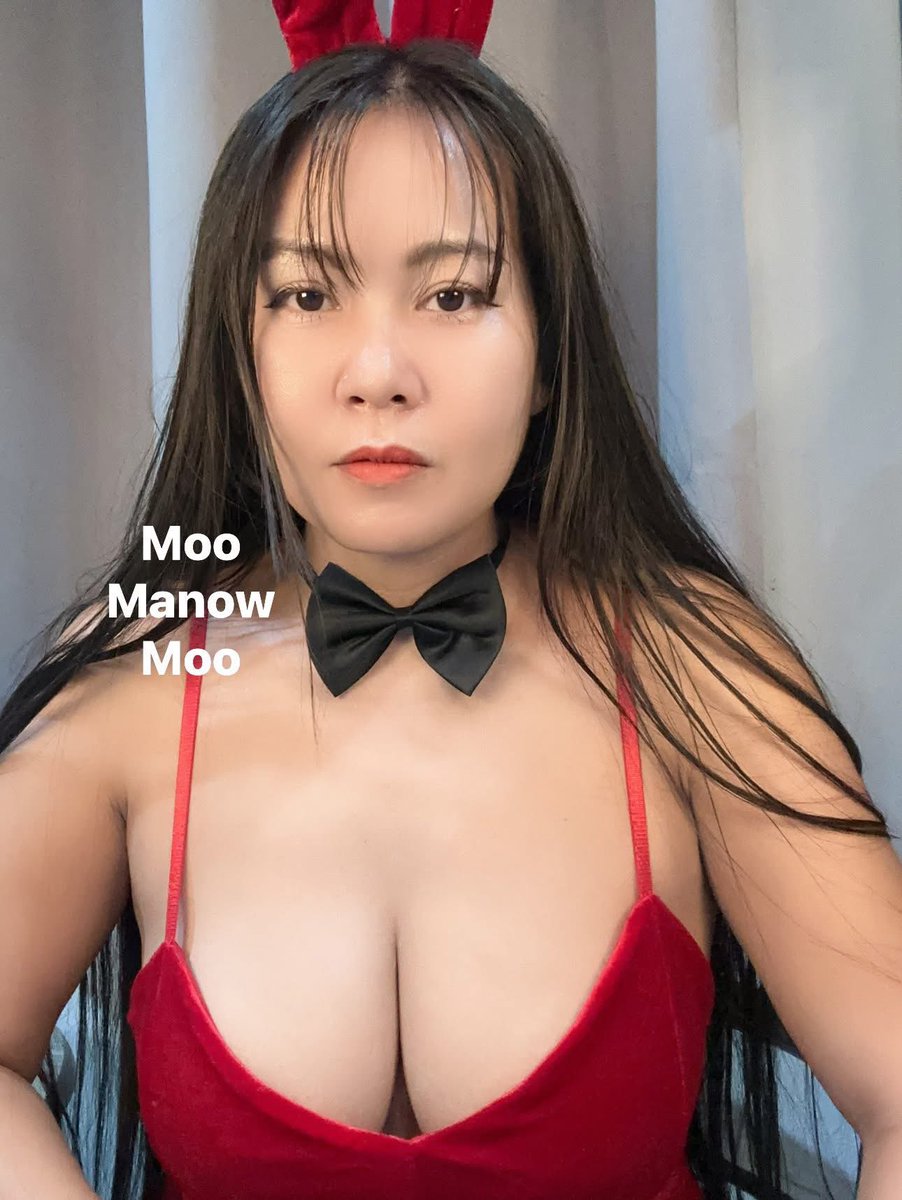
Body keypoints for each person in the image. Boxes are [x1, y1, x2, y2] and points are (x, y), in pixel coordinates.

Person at [1, 3, 901, 1198]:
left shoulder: (692, 669)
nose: (378, 374)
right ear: (237, 350)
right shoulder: (146, 666)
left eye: (453, 295)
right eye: (306, 297)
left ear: (547, 358)